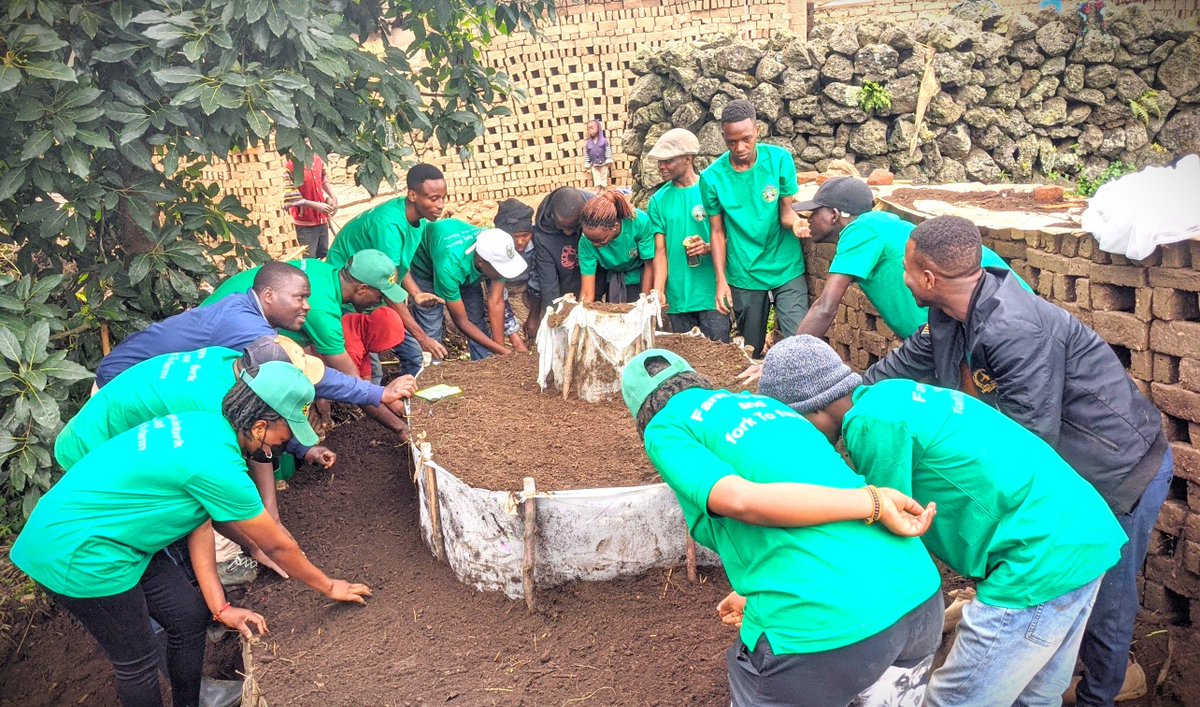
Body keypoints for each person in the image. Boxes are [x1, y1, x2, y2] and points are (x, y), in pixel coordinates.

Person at [863, 215, 1173, 706]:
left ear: (927, 278)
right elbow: (888, 375)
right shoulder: (948, 319)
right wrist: (835, 400)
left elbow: (1028, 439)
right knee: (1069, 580)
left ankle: (1102, 692)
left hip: (1116, 469)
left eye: (904, 269)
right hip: (1069, 467)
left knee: (1103, 589)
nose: (900, 279)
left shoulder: (1015, 329)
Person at [759, 335, 1128, 705]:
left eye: (795, 428)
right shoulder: (895, 395)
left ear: (811, 411)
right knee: (1035, 696)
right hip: (1081, 532)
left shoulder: (870, 425)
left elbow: (888, 532)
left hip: (1038, 560)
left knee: (953, 699)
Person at [10, 362, 372, 707]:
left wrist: (221, 607)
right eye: (287, 432)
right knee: (136, 661)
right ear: (260, 427)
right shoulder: (218, 464)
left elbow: (198, 522)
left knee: (188, 616)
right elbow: (276, 544)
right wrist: (329, 586)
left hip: (114, 536)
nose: (284, 442)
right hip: (77, 550)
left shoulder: (206, 424)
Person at [621, 348, 944, 706]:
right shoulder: (771, 409)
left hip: (825, 629)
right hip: (918, 597)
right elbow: (808, 501)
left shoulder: (666, 427)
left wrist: (874, 503)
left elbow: (742, 500)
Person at [95, 264, 415, 440]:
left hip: (151, 384)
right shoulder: (247, 328)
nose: (307, 306)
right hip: (122, 389)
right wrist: (379, 392)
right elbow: (302, 374)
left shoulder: (247, 309)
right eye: (299, 298)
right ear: (269, 294)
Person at [793, 177, 1032, 341]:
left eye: (815, 212)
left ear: (834, 215)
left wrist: (784, 362)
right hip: (958, 327)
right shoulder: (876, 226)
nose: (809, 219)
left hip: (992, 321)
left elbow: (825, 307)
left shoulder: (862, 229)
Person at [700, 99, 809, 357]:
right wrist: (721, 280)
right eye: (731, 142)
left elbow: (785, 210)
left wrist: (797, 223)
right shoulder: (712, 178)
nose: (740, 147)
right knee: (751, 347)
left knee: (799, 341)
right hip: (744, 271)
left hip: (785, 265)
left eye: (746, 139)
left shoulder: (779, 160)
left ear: (757, 130)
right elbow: (717, 232)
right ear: (723, 137)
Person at [202, 249, 406, 379]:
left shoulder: (322, 271)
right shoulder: (320, 309)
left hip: (216, 318)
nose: (380, 302)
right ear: (362, 288)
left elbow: (305, 344)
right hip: (214, 338)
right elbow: (352, 380)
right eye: (380, 295)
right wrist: (399, 426)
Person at [326, 163, 450, 373]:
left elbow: (398, 265)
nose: (440, 205)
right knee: (369, 368)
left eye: (443, 198)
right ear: (412, 195)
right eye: (433, 198)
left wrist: (416, 293)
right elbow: (386, 284)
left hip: (377, 289)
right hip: (352, 294)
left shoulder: (418, 220)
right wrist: (423, 337)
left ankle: (407, 402)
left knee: (414, 358)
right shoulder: (389, 226)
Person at [646, 128, 729, 342]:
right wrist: (659, 290)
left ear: (688, 159)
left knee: (721, 359)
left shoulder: (711, 190)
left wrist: (709, 248)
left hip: (712, 296)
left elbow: (730, 238)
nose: (661, 167)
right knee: (686, 363)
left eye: (668, 161)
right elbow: (660, 251)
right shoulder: (658, 201)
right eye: (659, 162)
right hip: (678, 299)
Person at [404, 219, 527, 359]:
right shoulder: (449, 265)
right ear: (481, 263)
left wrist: (501, 354)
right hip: (427, 269)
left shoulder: (495, 247)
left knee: (476, 320)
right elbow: (461, 321)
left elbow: (496, 302)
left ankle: (487, 367)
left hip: (464, 269)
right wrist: (504, 353)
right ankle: (431, 370)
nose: (503, 275)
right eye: (500, 270)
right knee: (431, 325)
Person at [577, 190, 654, 304]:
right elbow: (587, 294)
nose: (595, 244)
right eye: (590, 240)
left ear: (615, 226)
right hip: (612, 275)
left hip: (639, 273)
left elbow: (649, 265)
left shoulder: (639, 223)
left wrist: (645, 302)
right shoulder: (585, 241)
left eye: (601, 240)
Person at [531, 186, 593, 321]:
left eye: (573, 227)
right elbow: (548, 281)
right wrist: (554, 316)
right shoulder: (544, 231)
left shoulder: (594, 212)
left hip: (592, 278)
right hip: (563, 283)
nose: (567, 233)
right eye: (561, 227)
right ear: (553, 216)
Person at [495, 198, 540, 342]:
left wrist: (534, 315)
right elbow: (498, 296)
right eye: (515, 237)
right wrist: (512, 331)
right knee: (511, 339)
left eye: (525, 236)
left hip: (530, 292)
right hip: (504, 292)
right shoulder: (495, 249)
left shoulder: (538, 245)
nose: (520, 242)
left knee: (537, 335)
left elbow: (538, 280)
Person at [283, 152, 338, 259]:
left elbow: (323, 178)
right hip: (305, 224)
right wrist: (315, 205)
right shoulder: (291, 165)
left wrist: (332, 196)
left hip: (322, 220)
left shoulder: (318, 159)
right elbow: (290, 196)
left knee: (324, 255)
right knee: (309, 259)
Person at [343, 307, 407, 380]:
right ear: (379, 335)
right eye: (387, 344)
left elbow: (365, 371)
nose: (389, 348)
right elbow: (350, 384)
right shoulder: (352, 352)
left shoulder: (360, 326)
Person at [583, 119, 613, 190]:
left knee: (603, 177)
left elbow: (607, 150)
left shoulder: (603, 141)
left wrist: (608, 159)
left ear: (598, 128)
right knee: (596, 178)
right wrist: (587, 163)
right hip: (594, 165)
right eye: (589, 129)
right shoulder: (588, 143)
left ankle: (603, 189)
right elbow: (587, 154)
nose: (590, 130)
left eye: (592, 128)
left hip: (603, 164)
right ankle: (597, 190)